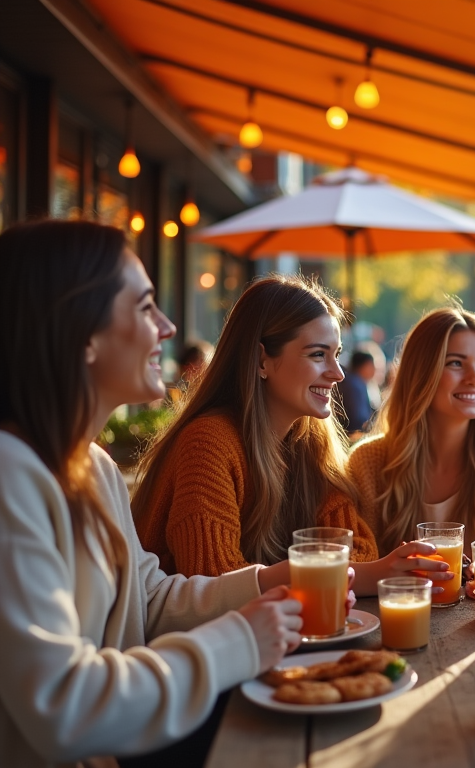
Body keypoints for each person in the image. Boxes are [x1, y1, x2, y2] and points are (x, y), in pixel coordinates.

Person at [0, 220, 302, 768]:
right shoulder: (9, 476)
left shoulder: (91, 466)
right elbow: (60, 707)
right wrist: (239, 641)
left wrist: (267, 582)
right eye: (144, 308)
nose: (166, 327)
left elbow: (150, 599)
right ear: (81, 333)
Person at [132, 275, 450, 596]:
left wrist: (348, 570)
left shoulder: (310, 444)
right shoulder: (208, 443)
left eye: (336, 354)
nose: (337, 373)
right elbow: (215, 584)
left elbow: (358, 548)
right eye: (317, 355)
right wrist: (337, 570)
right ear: (261, 360)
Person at [348, 306, 475, 551]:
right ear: (421, 373)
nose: (474, 378)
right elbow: (357, 565)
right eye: (456, 363)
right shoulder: (368, 463)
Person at [334, 349, 376, 434]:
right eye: (371, 366)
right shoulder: (355, 385)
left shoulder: (353, 382)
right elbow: (359, 418)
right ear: (362, 366)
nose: (374, 370)